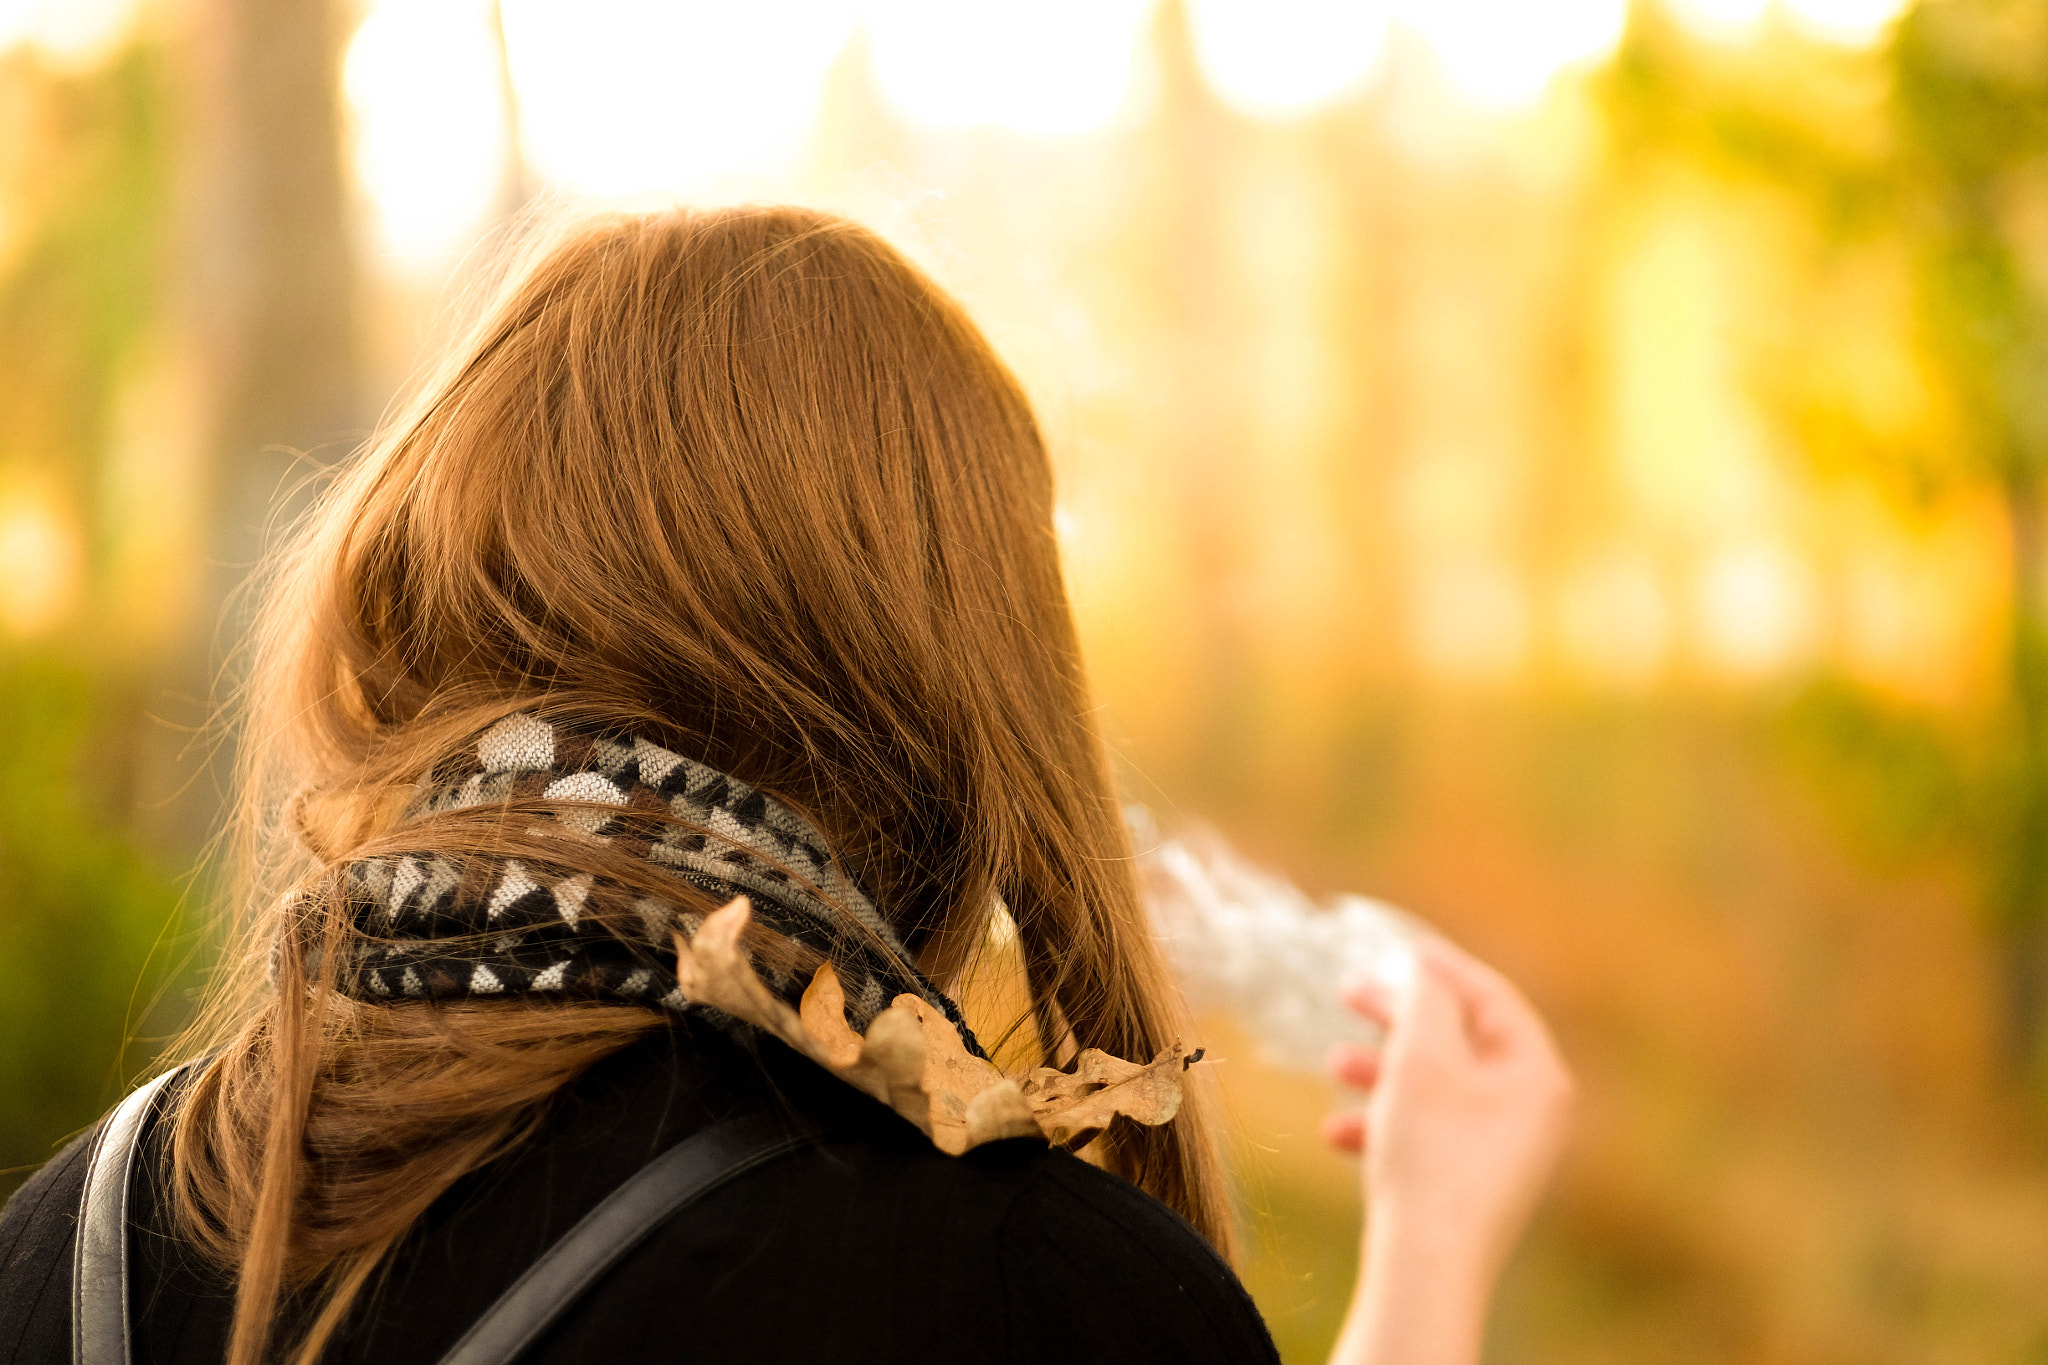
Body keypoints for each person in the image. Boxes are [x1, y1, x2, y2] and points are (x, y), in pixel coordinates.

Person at [0, 206, 1572, 1365]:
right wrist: (1435, 1250)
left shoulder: (70, 1235)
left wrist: (1425, 1234)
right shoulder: (1020, 1294)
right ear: (956, 668)